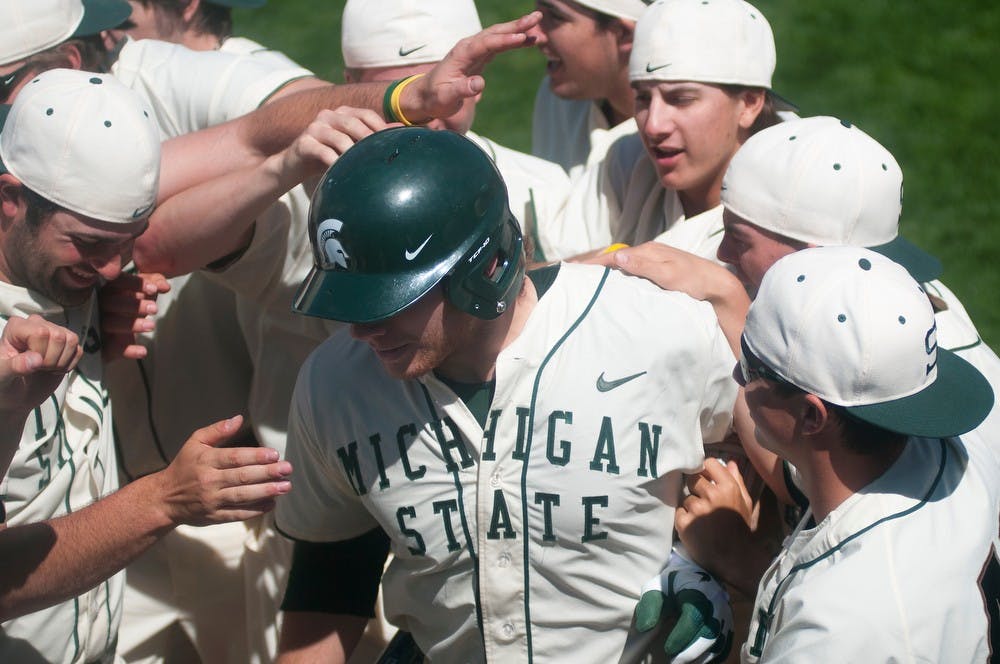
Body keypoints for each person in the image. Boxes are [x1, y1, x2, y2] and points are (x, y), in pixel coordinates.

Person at [274, 126, 738, 663]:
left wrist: (726, 564)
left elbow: (799, 469)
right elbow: (332, 572)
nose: (361, 328)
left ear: (485, 268)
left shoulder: (655, 331)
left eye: (389, 300)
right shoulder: (335, 385)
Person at [0, 67, 292, 663]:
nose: (112, 269)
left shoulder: (66, 278)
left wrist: (395, 99)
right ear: (9, 200)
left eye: (127, 241)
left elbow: (247, 137)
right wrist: (165, 499)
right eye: (89, 243)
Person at [727, 245, 996, 661]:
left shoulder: (838, 631)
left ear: (812, 417)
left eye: (750, 365)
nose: (737, 377)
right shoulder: (936, 452)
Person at [540, 0, 789, 260]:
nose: (652, 126)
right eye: (643, 98)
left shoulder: (786, 218)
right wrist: (614, 258)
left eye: (680, 99)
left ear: (749, 103)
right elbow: (545, 269)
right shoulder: (626, 158)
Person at [340, 0, 570, 264]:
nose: (425, 119)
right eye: (405, 99)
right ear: (351, 89)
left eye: (441, 93)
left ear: (477, 83)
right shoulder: (319, 193)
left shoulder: (545, 191)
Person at [528, 0, 644, 180]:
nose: (532, 33)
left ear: (623, 34)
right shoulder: (557, 102)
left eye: (556, 17)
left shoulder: (676, 137)